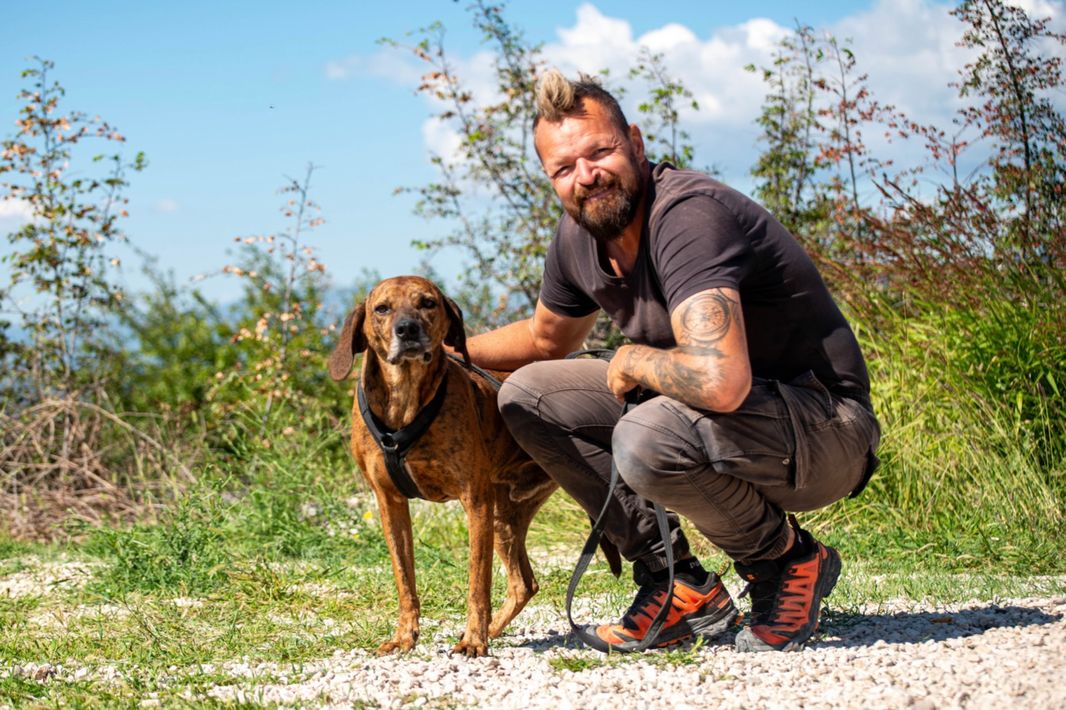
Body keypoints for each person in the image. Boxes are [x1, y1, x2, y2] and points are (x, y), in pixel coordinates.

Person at [465, 69, 880, 653]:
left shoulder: (687, 217)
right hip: (731, 421)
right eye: (564, 168)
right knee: (527, 396)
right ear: (551, 178)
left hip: (827, 430)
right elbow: (545, 338)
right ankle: (677, 583)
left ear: (635, 143)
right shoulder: (577, 236)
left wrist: (636, 360)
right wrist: (441, 345)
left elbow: (722, 381)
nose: (586, 176)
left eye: (600, 152)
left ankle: (785, 560)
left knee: (646, 435)